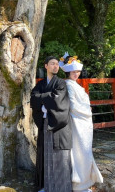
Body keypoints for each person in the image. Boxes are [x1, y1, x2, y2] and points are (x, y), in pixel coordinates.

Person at [59, 52, 103, 192]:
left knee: (84, 150)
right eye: (73, 71)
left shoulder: (76, 85)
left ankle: (84, 182)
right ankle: (78, 184)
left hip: (83, 123)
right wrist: (88, 111)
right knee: (79, 151)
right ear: (68, 72)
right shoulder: (69, 86)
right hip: (76, 122)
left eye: (78, 71)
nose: (76, 74)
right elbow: (73, 105)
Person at [30, 56, 72, 192]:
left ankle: (60, 188)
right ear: (46, 66)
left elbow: (57, 101)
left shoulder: (61, 83)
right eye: (52, 64)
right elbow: (33, 98)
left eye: (57, 64)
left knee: (59, 157)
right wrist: (46, 100)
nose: (55, 66)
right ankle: (46, 187)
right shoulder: (40, 84)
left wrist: (43, 102)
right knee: (45, 155)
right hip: (45, 123)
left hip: (58, 125)